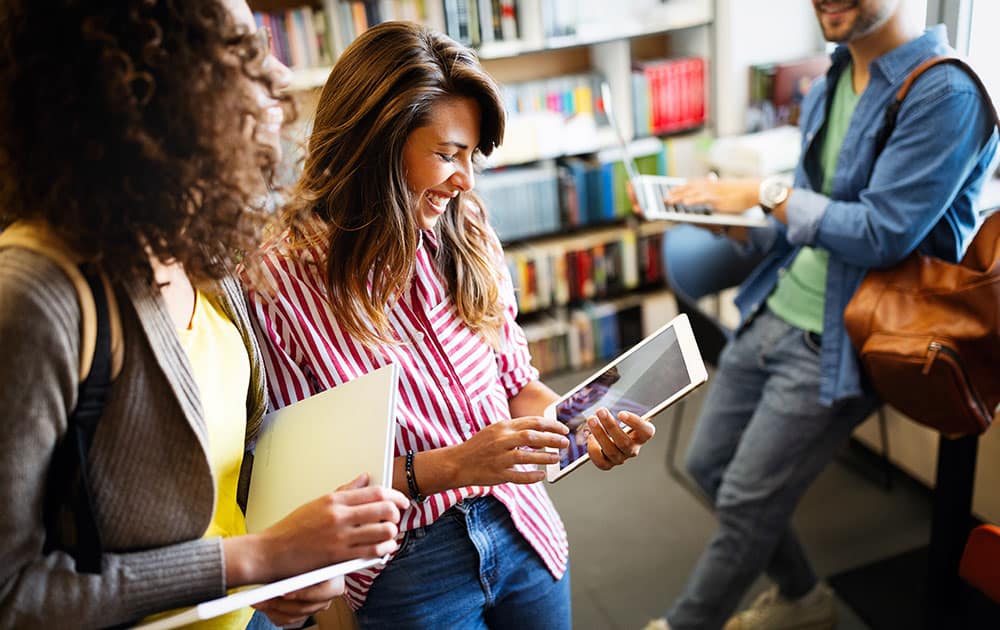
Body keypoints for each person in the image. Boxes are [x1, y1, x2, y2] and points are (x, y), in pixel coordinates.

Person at [0, 2, 409, 629]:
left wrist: (269, 571)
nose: (275, 70)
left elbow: (218, 492)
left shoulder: (201, 249)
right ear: (147, 83)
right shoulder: (36, 294)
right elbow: (12, 595)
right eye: (240, 50)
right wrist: (252, 560)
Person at [246, 20, 656, 630]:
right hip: (405, 567)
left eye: (470, 156)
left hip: (524, 527)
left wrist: (580, 421)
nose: (464, 178)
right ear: (376, 144)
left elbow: (517, 386)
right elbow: (303, 489)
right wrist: (454, 466)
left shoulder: (465, 229)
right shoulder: (281, 281)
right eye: (446, 154)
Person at [645, 1, 999, 629]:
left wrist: (764, 195)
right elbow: (814, 214)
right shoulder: (834, 76)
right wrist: (741, 224)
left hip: (843, 338)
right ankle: (805, 598)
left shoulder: (946, 93)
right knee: (709, 466)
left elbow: (883, 234)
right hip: (777, 305)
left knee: (748, 501)